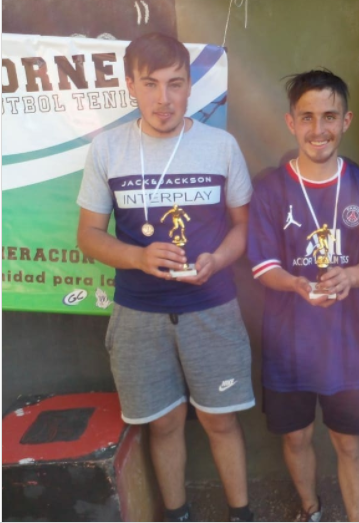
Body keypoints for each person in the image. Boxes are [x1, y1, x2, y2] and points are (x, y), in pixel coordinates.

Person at [77, 32, 254, 522]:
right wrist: (137, 257)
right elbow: (88, 236)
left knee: (221, 421)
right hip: (138, 312)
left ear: (190, 86)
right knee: (164, 423)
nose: (163, 98)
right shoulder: (108, 148)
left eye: (175, 83)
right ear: (130, 85)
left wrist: (218, 259)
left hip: (212, 306)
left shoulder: (220, 146)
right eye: (150, 84)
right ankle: (177, 514)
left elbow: (243, 227)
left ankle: (241, 514)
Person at [247, 69, 359, 522]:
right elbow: (263, 266)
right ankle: (310, 510)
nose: (318, 129)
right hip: (287, 344)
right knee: (296, 437)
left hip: (344, 347)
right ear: (291, 122)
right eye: (307, 117)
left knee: (349, 442)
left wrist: (350, 277)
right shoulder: (270, 188)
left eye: (329, 116)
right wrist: (295, 283)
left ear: (346, 120)